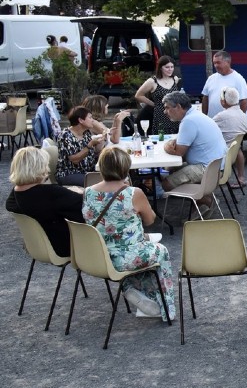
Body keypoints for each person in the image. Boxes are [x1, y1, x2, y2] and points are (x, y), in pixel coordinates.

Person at [82, 146, 177, 320]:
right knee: (160, 251)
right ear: (126, 168)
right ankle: (165, 308)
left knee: (144, 248)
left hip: (99, 255)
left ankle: (137, 293)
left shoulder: (88, 192)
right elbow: (150, 220)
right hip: (125, 258)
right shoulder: (133, 193)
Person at [6, 146, 84, 257]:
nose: (47, 169)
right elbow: (85, 208)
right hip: (65, 246)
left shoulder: (15, 195)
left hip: (38, 245)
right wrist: (79, 192)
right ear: (38, 168)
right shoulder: (51, 193)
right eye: (45, 165)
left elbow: (12, 205)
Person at [160, 91, 227, 217]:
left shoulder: (189, 121)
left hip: (206, 168)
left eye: (167, 108)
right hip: (215, 166)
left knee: (166, 184)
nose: (165, 112)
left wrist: (166, 146)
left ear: (178, 107)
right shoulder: (195, 115)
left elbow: (179, 152)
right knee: (169, 170)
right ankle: (199, 203)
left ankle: (207, 201)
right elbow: (180, 145)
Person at [56, 105, 108, 186]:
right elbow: (75, 160)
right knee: (101, 184)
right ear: (80, 120)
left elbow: (95, 152)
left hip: (88, 171)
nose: (93, 121)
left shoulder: (86, 132)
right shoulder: (65, 135)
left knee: (112, 177)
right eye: (90, 118)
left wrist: (102, 140)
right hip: (70, 173)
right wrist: (90, 145)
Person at [134, 56, 182, 136]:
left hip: (174, 114)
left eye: (172, 67)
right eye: (167, 67)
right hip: (160, 115)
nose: (170, 69)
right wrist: (153, 104)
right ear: (160, 68)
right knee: (161, 136)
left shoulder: (175, 79)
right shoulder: (152, 81)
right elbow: (138, 95)